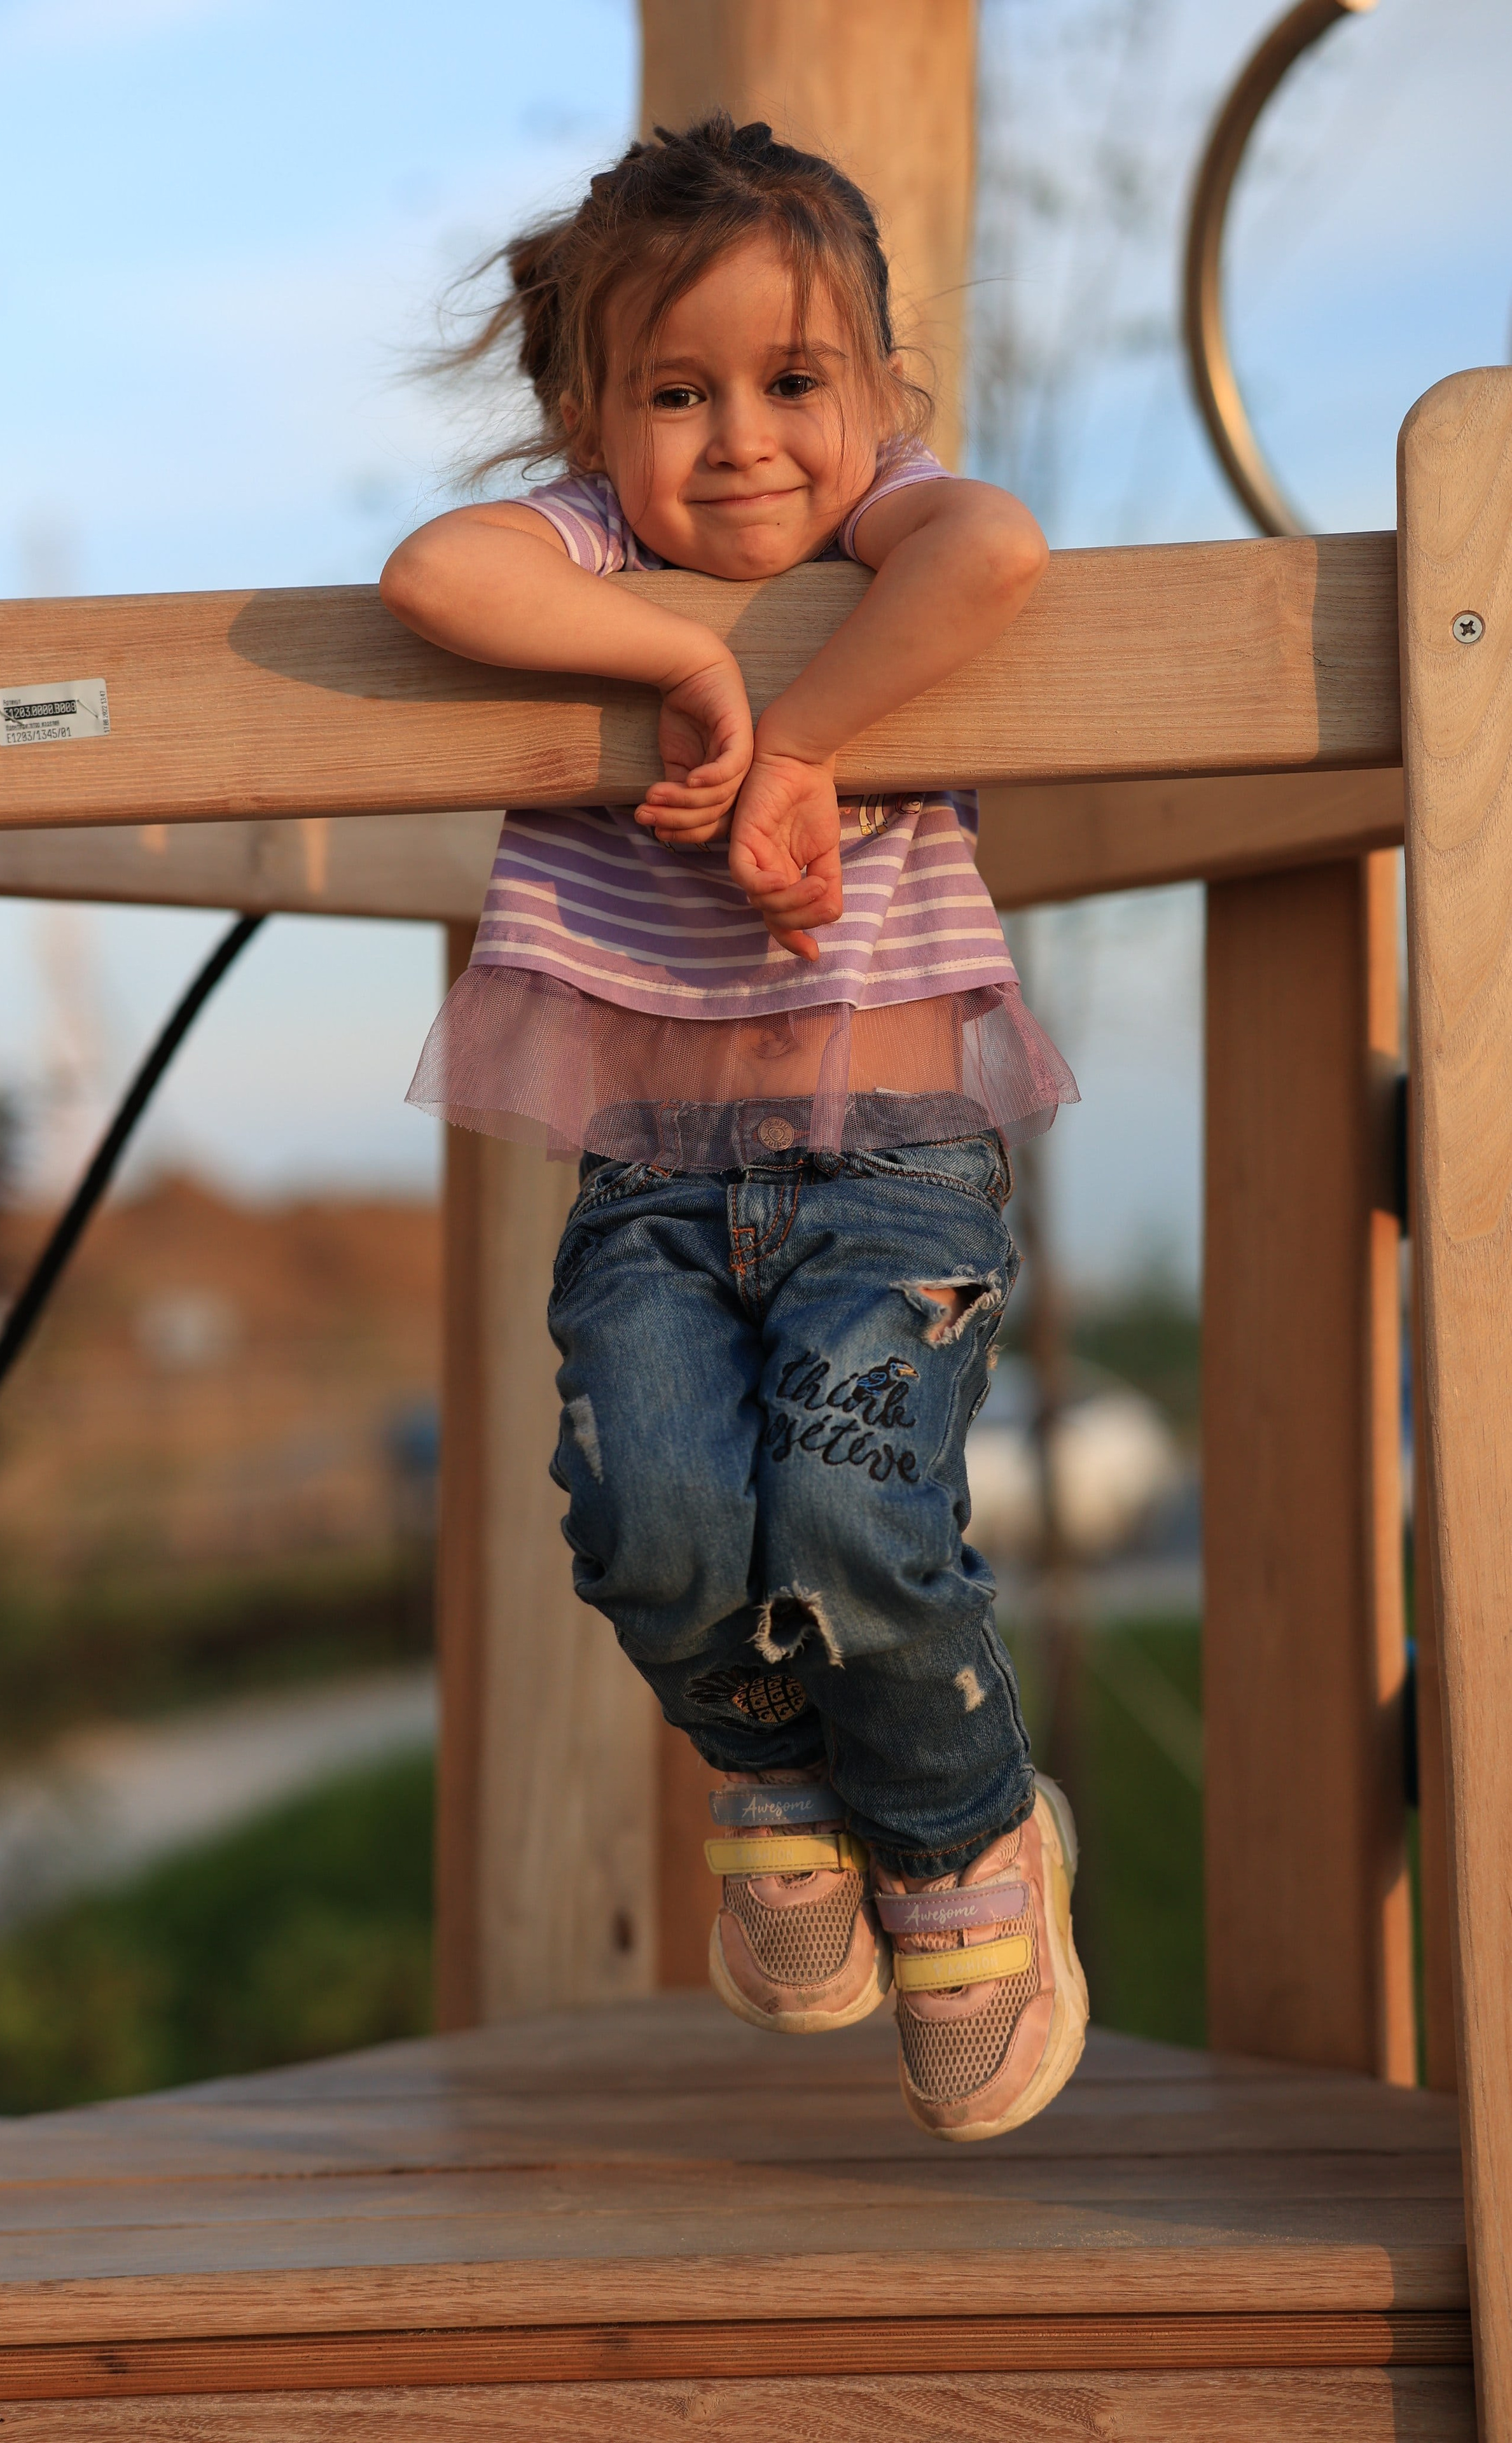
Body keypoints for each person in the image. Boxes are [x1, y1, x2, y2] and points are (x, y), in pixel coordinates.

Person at [380, 113, 1086, 2142]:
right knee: (654, 1519)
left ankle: (962, 1834)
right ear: (588, 422)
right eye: (673, 394)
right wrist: (686, 654)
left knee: (858, 1515)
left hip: (891, 1152)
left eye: (798, 383)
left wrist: (796, 746)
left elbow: (1001, 555)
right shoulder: (593, 554)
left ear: (883, 400)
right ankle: (775, 1772)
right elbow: (438, 571)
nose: (743, 442)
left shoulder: (897, 534)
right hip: (655, 1170)